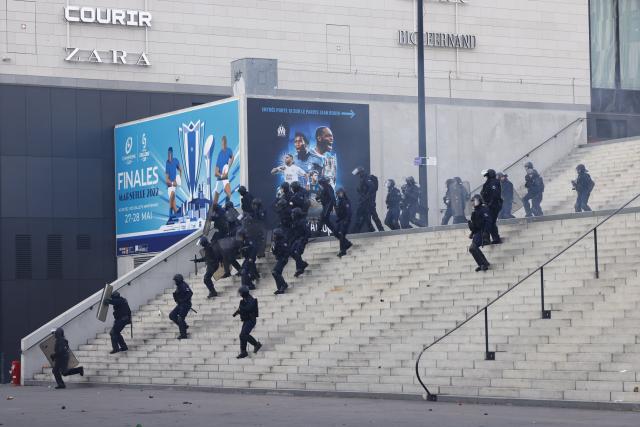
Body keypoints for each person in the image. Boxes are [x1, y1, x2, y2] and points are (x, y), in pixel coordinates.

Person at [232, 286, 262, 359]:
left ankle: (256, 344)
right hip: (246, 320)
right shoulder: (244, 300)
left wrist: (241, 307)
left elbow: (248, 308)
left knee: (244, 334)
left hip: (251, 320)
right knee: (242, 336)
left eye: (241, 293)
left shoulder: (251, 300)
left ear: (244, 293)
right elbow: (241, 309)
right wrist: (236, 313)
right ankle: (243, 352)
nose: (240, 294)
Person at [468, 195, 491, 272]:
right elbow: (475, 225)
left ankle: (484, 264)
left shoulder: (483, 209)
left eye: (474, 200)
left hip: (482, 232)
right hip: (477, 233)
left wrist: (486, 232)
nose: (473, 203)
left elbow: (488, 221)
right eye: (472, 201)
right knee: (472, 249)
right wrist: (471, 230)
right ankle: (483, 263)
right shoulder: (474, 213)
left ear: (479, 200)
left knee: (472, 248)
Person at [480, 169, 503, 244]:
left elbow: (495, 195)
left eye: (486, 176)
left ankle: (494, 238)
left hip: (494, 206)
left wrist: (490, 204)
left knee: (490, 221)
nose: (485, 177)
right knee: (489, 222)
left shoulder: (493, 182)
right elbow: (483, 193)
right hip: (489, 205)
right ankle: (491, 238)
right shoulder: (487, 183)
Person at [169, 274, 193, 339]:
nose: (175, 282)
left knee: (180, 319)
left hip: (186, 305)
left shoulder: (183, 285)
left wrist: (183, 300)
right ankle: (184, 325)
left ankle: (183, 335)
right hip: (180, 304)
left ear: (178, 280)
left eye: (175, 280)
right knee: (172, 315)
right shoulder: (179, 286)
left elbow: (190, 293)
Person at [213, 136, 234, 205]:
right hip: (220, 178)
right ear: (221, 143)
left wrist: (228, 167)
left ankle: (229, 207)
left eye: (225, 142)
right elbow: (215, 172)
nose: (224, 144)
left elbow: (232, 158)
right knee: (216, 198)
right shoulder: (220, 154)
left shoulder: (229, 150)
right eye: (223, 143)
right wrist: (221, 175)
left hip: (225, 177)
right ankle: (213, 209)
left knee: (229, 193)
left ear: (226, 143)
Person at [289, 207, 309, 277]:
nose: (292, 214)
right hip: (296, 240)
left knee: (297, 252)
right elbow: (294, 233)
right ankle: (302, 264)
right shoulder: (294, 222)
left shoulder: (303, 221)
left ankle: (299, 269)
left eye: (293, 213)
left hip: (302, 239)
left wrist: (304, 240)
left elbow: (307, 232)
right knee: (291, 252)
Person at [271, 228, 291, 295]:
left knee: (275, 272)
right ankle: (280, 288)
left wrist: (285, 257)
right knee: (276, 273)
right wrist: (273, 248)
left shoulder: (283, 241)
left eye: (275, 234)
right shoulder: (276, 242)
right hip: (279, 259)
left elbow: (287, 251)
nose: (274, 236)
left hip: (283, 259)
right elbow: (275, 252)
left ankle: (284, 285)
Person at [335, 188, 353, 257]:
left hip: (345, 220)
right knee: (336, 233)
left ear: (343, 193)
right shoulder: (339, 201)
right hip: (340, 220)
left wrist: (346, 221)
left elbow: (349, 212)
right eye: (338, 193)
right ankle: (347, 243)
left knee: (342, 235)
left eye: (340, 193)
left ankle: (343, 251)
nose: (339, 194)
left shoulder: (346, 201)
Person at [165, 147, 182, 217]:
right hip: (170, 187)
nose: (169, 156)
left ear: (172, 154)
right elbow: (166, 180)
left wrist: (179, 179)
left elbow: (180, 170)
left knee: (175, 208)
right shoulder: (167, 163)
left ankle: (176, 216)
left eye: (170, 154)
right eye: (168, 154)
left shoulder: (175, 160)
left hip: (174, 186)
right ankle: (170, 212)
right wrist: (172, 183)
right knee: (172, 194)